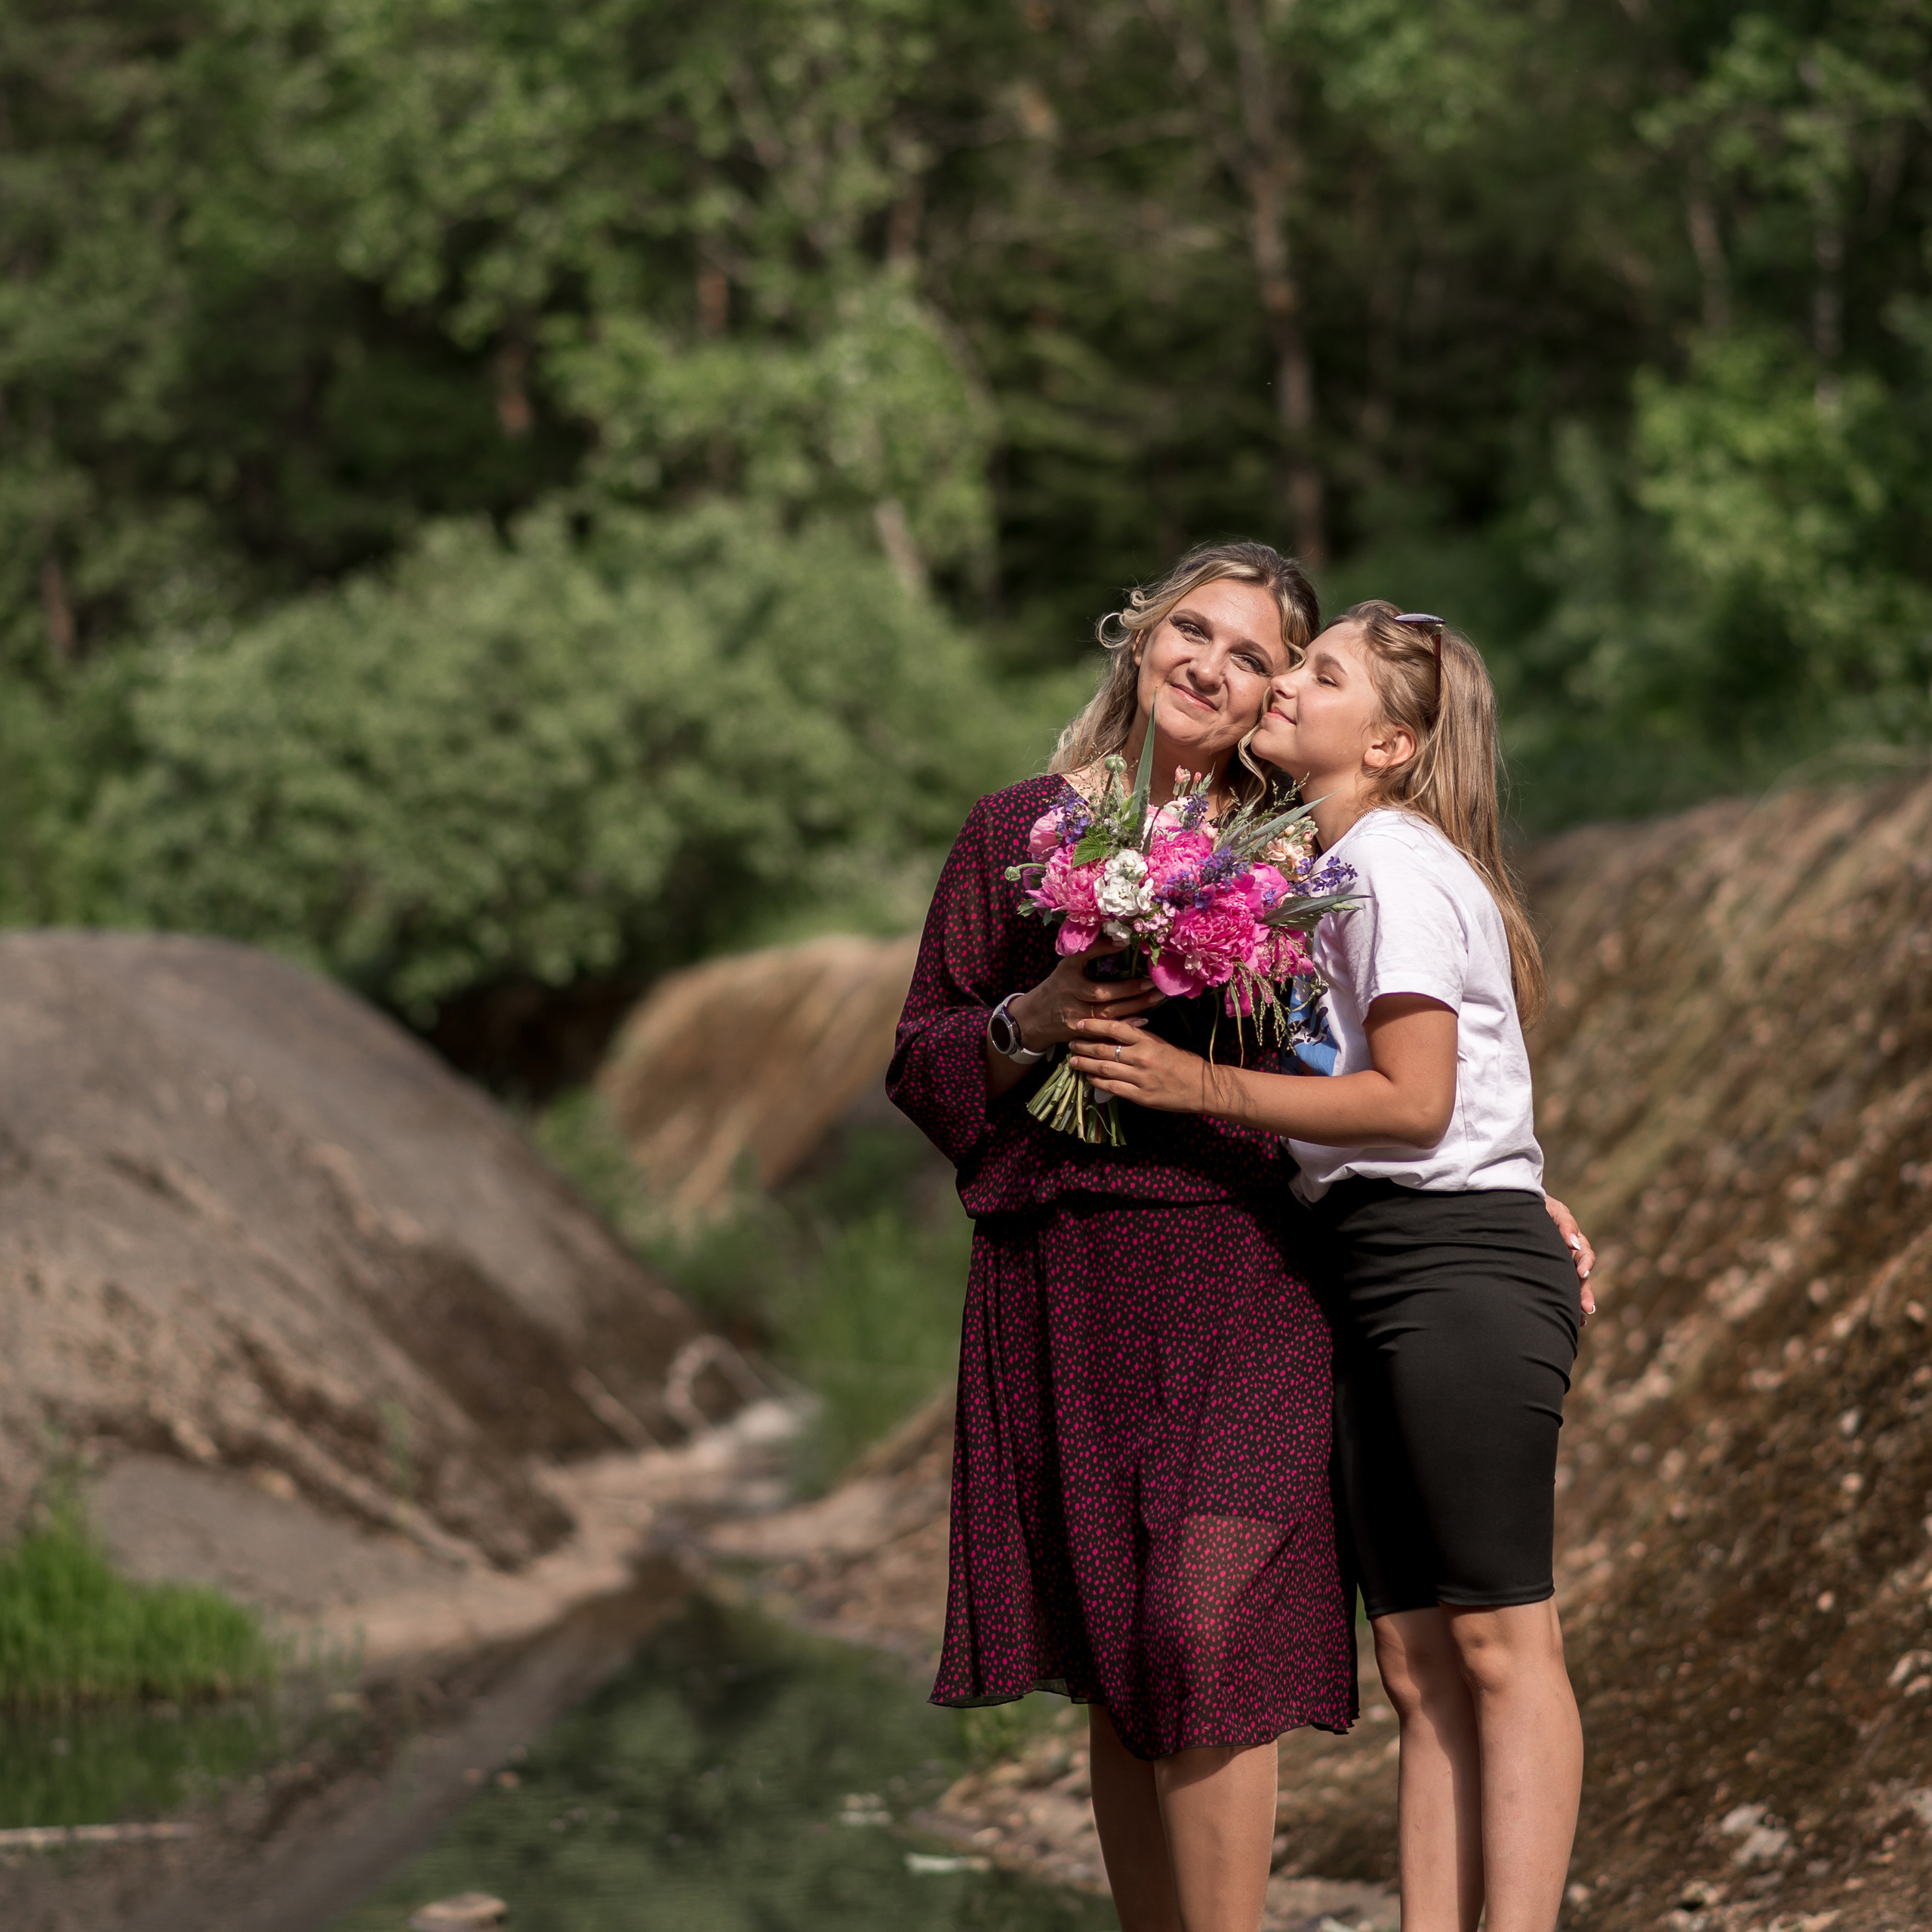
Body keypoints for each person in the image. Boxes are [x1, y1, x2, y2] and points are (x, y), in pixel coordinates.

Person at [1067, 601, 1595, 1932]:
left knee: (1500, 1643)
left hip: (1453, 1264)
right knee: (1419, 1665)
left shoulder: (1400, 870)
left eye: (1322, 672)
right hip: (1373, 1268)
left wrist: (1195, 1083)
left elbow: (1415, 1106)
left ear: (1396, 741)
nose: (1287, 685)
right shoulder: (1318, 862)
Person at [887, 541, 1355, 1932]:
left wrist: (1515, 1180)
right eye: (1191, 631)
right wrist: (1038, 1014)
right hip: (1062, 1275)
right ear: (1141, 639)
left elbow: (1409, 1049)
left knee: (1196, 1624)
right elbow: (921, 1058)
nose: (1210, 665)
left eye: (1253, 654)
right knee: (1119, 1646)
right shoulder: (1016, 833)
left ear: (1279, 692)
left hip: (1247, 1269)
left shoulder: (1310, 858)